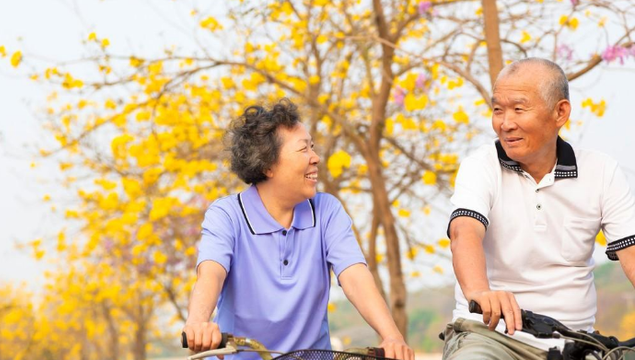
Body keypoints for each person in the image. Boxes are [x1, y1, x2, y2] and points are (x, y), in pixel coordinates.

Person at [183, 99, 414, 360]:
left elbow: (355, 275)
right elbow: (211, 273)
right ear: (268, 166)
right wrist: (197, 323)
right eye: (304, 150)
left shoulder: (327, 210)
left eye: (312, 147)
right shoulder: (227, 215)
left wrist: (392, 335)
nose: (315, 158)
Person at [442, 58, 635, 360]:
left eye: (519, 109)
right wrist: (479, 292)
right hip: (490, 338)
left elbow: (632, 254)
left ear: (560, 112)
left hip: (576, 343)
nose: (505, 123)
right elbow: (463, 231)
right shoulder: (480, 166)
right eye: (497, 110)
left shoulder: (602, 171)